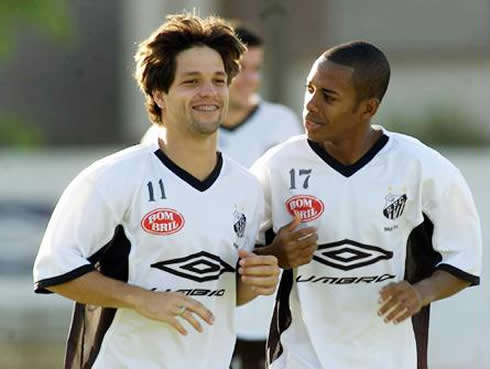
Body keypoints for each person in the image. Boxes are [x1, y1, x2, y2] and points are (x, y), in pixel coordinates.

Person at [32, 13, 280, 369]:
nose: (209, 93)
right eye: (191, 81)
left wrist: (256, 282)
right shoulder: (114, 177)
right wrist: (141, 299)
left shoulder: (246, 188)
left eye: (218, 80)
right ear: (159, 94)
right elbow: (55, 269)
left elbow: (222, 293)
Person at [251, 41, 482, 369]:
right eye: (310, 89)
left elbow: (463, 262)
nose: (311, 105)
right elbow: (236, 256)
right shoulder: (276, 166)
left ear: (368, 108)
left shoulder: (422, 167)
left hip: (391, 360)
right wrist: (275, 256)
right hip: (299, 359)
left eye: (328, 97)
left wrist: (421, 292)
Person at [142, 24, 303, 369]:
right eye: (242, 70)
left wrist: (274, 254)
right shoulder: (158, 137)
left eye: (257, 70)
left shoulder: (281, 123)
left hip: (262, 307)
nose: (249, 80)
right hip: (197, 310)